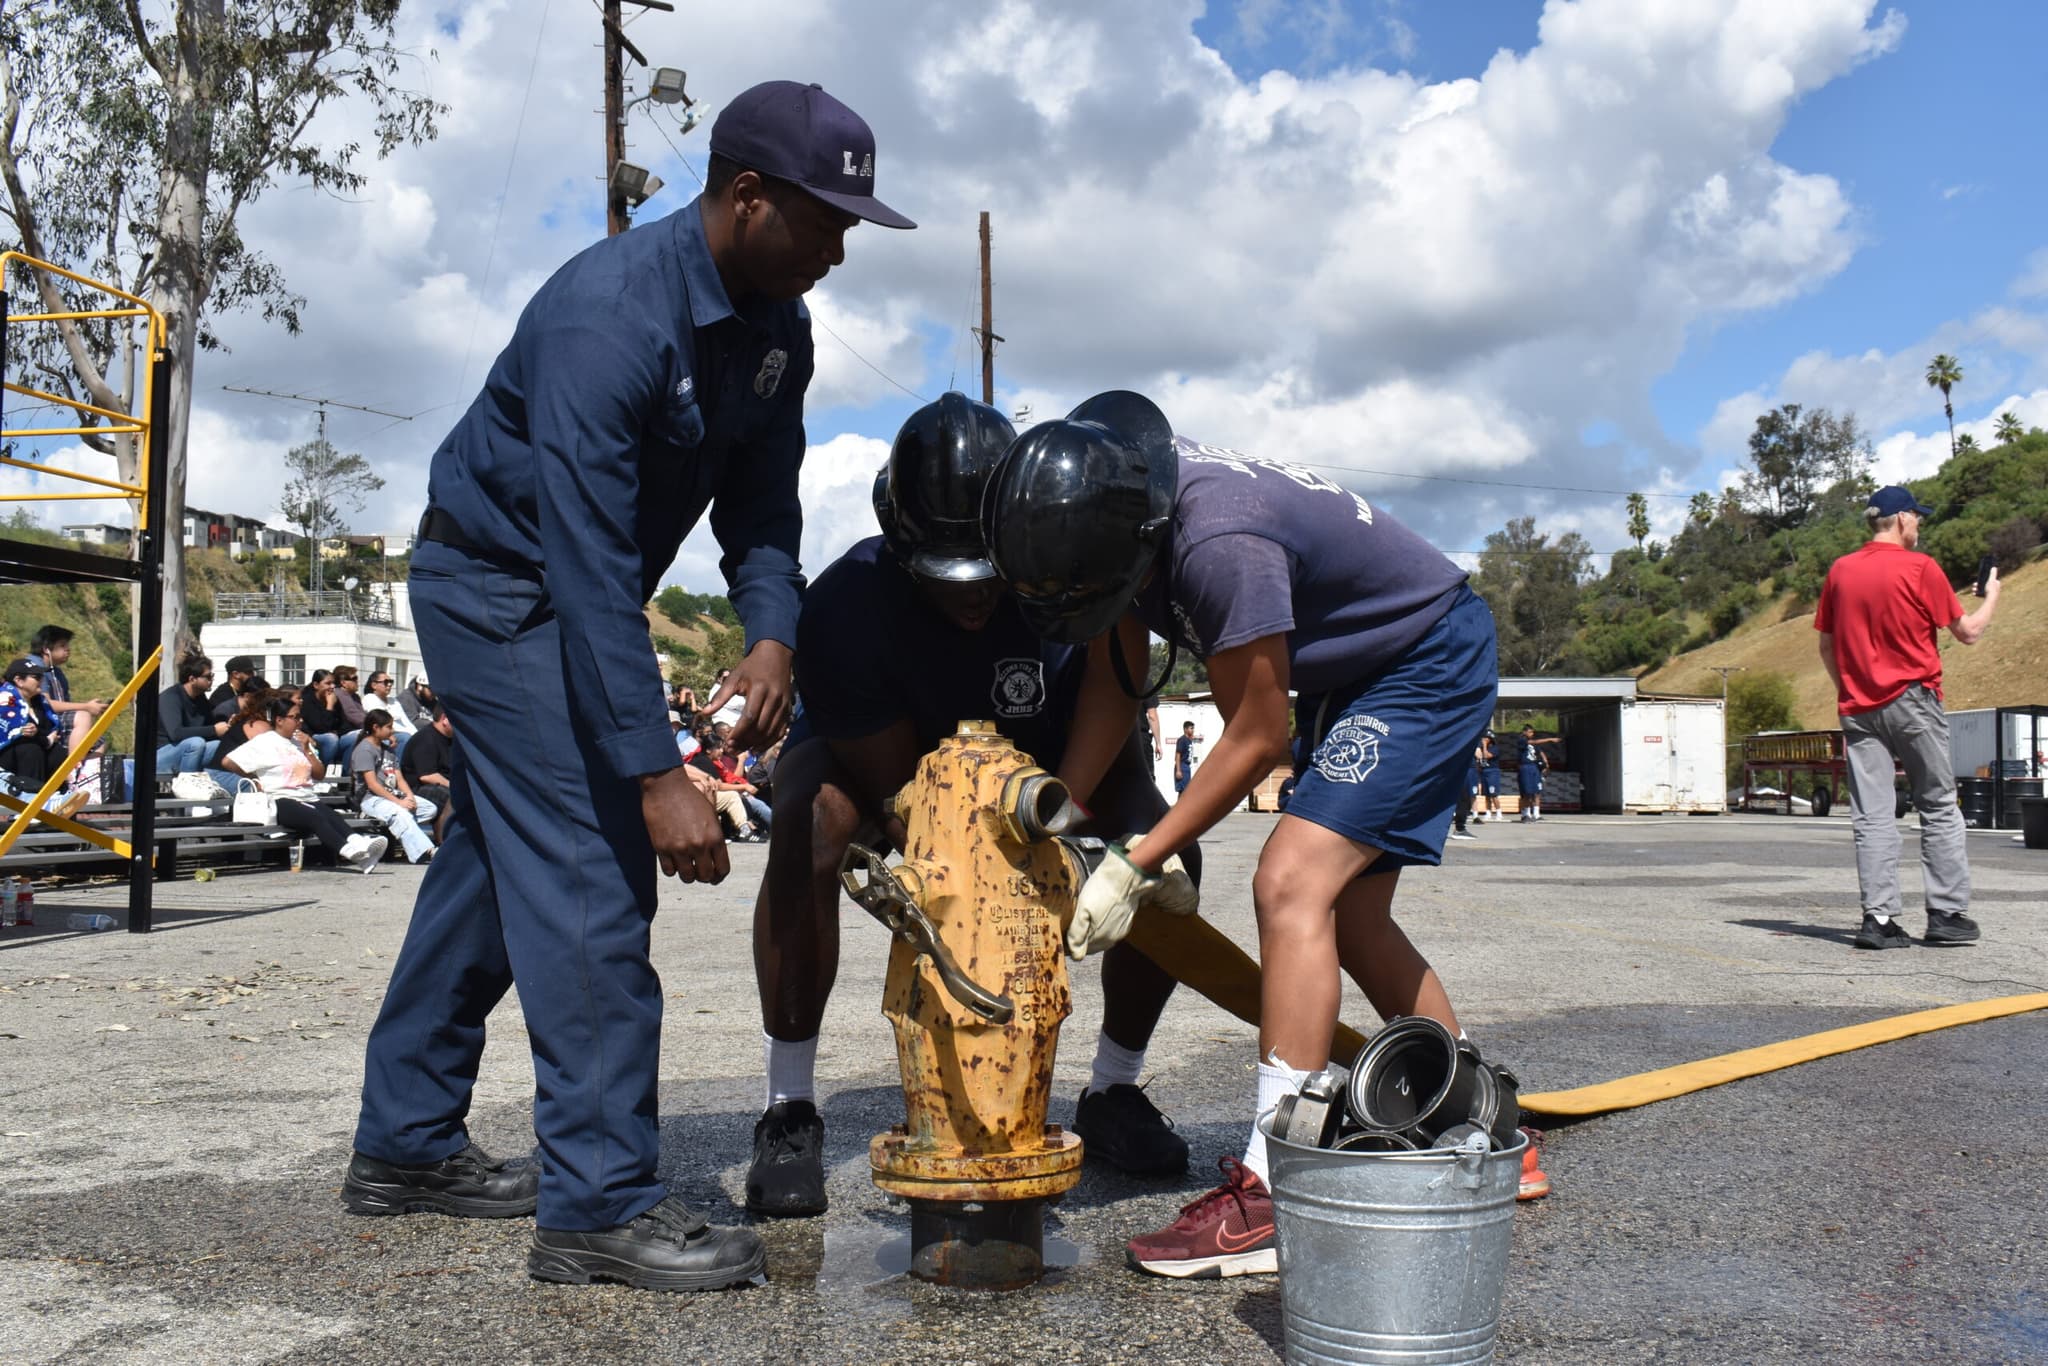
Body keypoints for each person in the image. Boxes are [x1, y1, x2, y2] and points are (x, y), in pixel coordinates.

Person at [345, 78, 914, 1294]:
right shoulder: (610, 317)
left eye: (850, 227)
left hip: (570, 586)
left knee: (503, 862)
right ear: (743, 193)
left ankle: (402, 1141)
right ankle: (597, 1205)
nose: (836, 248)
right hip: (495, 584)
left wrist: (772, 635)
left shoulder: (778, 328)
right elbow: (592, 566)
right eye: (820, 219)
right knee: (595, 866)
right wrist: (657, 773)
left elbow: (763, 513)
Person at [981, 392, 1547, 1280]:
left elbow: (1256, 734)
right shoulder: (1127, 511)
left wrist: (1138, 857)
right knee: (1350, 922)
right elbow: (1113, 684)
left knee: (1288, 886)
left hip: (1421, 656)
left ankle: (1277, 1183)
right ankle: (1483, 1129)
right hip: (1358, 670)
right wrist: (1057, 812)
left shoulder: (1215, 544)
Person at [744, 392, 1197, 1219]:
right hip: (898, 778)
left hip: (1045, 771)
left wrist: (1089, 849)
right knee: (811, 821)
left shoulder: (1066, 566)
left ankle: (1115, 1090)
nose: (977, 598)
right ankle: (789, 1105)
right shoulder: (844, 607)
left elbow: (1105, 732)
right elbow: (901, 809)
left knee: (1166, 845)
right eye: (946, 578)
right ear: (899, 543)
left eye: (992, 572)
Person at [1815, 485, 1998, 951]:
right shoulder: (1921, 567)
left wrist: (1850, 690)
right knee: (1937, 803)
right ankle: (1947, 915)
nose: (1919, 525)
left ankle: (1878, 920)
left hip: (1859, 706)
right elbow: (1969, 632)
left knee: (1872, 815)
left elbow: (1826, 644)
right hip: (1914, 701)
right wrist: (1992, 595)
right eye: (1918, 517)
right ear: (1901, 520)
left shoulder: (1841, 570)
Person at [220, 690, 388, 872]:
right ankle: (352, 852)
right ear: (279, 720)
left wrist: (307, 749)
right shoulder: (265, 741)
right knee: (315, 818)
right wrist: (253, 777)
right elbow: (228, 761)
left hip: (307, 796)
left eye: (300, 717)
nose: (300, 721)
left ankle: (362, 849)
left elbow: (319, 774)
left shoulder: (297, 742)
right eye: (295, 717)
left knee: (332, 816)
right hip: (279, 798)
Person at [350, 710, 438, 864]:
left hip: (392, 796)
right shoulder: (364, 750)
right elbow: (372, 784)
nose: (393, 730)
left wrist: (409, 796)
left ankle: (409, 836)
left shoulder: (388, 751)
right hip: (371, 799)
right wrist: (399, 803)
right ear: (376, 727)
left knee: (428, 808)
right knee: (400, 813)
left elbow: (400, 778)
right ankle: (427, 851)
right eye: (389, 727)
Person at [28, 625, 108, 754]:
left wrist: (88, 707)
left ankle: (83, 773)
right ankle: (71, 767)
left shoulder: (57, 672)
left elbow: (65, 704)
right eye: (63, 646)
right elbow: (47, 703)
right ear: (46, 649)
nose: (68, 650)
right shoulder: (34, 668)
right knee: (82, 716)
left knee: (99, 742)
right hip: (40, 721)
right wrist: (85, 707)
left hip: (58, 720)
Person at [157, 655, 228, 775]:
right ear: (192, 679)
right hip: (162, 753)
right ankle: (188, 784)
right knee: (195, 743)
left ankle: (219, 782)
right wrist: (214, 730)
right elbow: (176, 733)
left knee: (218, 745)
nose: (211, 680)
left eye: (212, 676)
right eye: (208, 677)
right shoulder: (171, 697)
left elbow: (210, 727)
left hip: (188, 752)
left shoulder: (200, 699)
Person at [400, 704, 457, 843]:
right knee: (452, 795)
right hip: (416, 789)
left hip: (440, 783)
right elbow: (427, 776)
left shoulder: (452, 740)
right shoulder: (425, 739)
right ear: (444, 719)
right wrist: (455, 786)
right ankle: (444, 841)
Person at [1448, 732, 1482, 841]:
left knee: (1462, 797)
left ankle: (1460, 827)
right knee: (1464, 798)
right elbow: (1479, 755)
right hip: (1464, 769)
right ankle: (1460, 828)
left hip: (1456, 768)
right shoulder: (1468, 736)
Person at [1516, 725, 1548, 823]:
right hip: (1526, 767)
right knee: (1527, 792)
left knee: (1537, 791)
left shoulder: (1534, 744)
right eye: (1530, 732)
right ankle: (1526, 814)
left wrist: (1545, 762)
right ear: (1524, 732)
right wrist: (1550, 739)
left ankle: (1536, 814)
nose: (1532, 734)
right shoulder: (1521, 740)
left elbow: (1540, 751)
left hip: (1534, 767)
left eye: (1532, 732)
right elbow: (1533, 742)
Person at [1478, 728, 1503, 821]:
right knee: (1486, 795)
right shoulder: (1481, 748)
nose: (1484, 739)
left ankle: (1499, 812)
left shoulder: (1494, 748)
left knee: (1493, 794)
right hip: (1484, 771)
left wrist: (1484, 745)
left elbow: (1487, 756)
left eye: (1486, 738)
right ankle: (1488, 812)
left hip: (1493, 772)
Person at [1172, 720, 1202, 794]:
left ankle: (1183, 805)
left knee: (1186, 791)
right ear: (1185, 729)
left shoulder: (1189, 740)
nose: (1193, 730)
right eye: (1191, 728)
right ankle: (1180, 806)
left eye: (1193, 728)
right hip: (1182, 766)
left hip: (1187, 767)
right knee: (1183, 791)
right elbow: (1177, 755)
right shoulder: (1182, 740)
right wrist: (1178, 770)